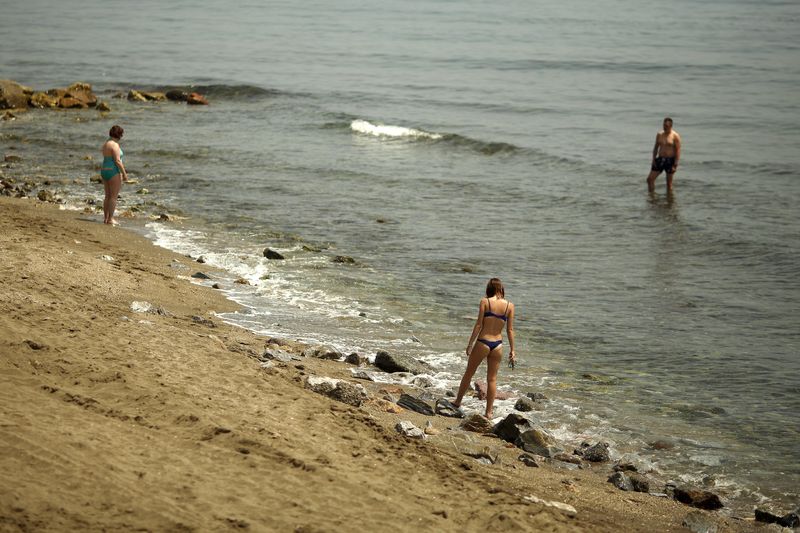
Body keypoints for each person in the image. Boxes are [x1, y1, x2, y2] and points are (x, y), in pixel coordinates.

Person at [451, 278, 516, 419]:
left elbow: (479, 325)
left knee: (469, 373)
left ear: (489, 288)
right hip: (498, 344)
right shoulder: (509, 306)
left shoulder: (485, 302)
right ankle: (489, 412)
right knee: (492, 379)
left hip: (483, 342)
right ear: (501, 288)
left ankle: (457, 402)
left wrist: (469, 344)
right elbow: (510, 330)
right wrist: (512, 350)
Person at [100, 125, 128, 224]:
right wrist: (124, 174)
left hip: (104, 170)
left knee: (107, 196)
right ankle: (111, 219)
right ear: (119, 135)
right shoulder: (115, 145)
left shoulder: (106, 144)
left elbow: (104, 154)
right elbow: (117, 161)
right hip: (113, 171)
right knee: (113, 197)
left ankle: (105, 218)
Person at [646, 117, 681, 193]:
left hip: (670, 161)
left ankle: (670, 202)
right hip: (660, 159)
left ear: (671, 126)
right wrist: (653, 159)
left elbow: (678, 150)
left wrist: (675, 165)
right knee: (649, 179)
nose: (665, 127)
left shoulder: (675, 136)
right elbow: (656, 147)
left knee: (669, 184)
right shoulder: (659, 134)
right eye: (664, 125)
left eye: (666, 126)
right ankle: (651, 197)